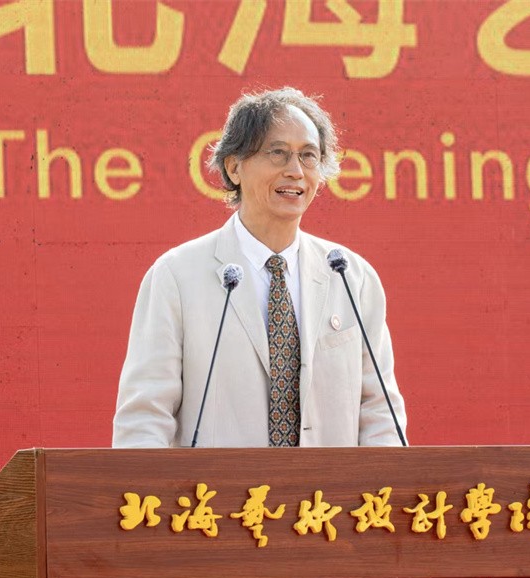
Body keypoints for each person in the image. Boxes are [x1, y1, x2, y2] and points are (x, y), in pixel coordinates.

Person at [112, 87, 407, 448]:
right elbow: (145, 417)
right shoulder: (177, 276)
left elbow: (379, 413)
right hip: (217, 486)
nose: (295, 171)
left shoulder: (351, 277)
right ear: (234, 167)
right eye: (277, 153)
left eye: (308, 156)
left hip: (329, 487)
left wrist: (383, 479)